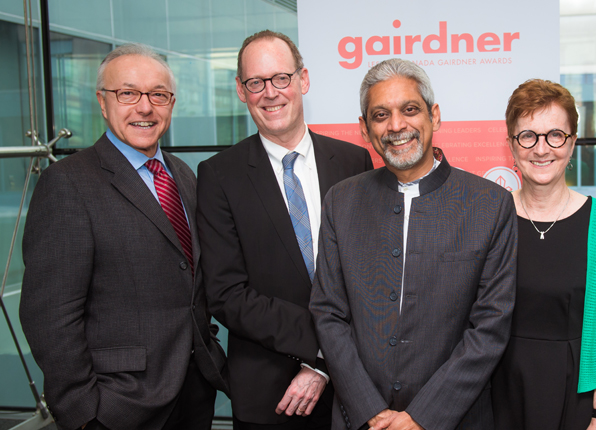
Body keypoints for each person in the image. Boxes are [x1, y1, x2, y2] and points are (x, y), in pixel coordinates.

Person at [19, 43, 228, 430]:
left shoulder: (182, 174)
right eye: (128, 93)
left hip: (195, 389)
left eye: (158, 95)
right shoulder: (67, 184)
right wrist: (85, 413)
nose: (145, 107)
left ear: (171, 103)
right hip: (118, 405)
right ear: (102, 102)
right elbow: (49, 315)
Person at [309, 58, 517, 430]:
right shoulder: (341, 201)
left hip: (456, 418)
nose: (396, 126)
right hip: (360, 419)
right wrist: (369, 410)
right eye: (380, 115)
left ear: (434, 116)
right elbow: (328, 313)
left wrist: (422, 418)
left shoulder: (490, 204)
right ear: (364, 128)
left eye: (409, 110)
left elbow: (490, 326)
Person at [196, 30, 373, 429]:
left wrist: (330, 363)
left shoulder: (353, 162)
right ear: (242, 91)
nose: (270, 93)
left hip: (358, 391)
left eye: (281, 78)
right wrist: (323, 348)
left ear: (303, 80)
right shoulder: (218, 176)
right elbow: (226, 293)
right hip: (271, 396)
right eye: (256, 83)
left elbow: (369, 276)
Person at [490, 79, 596, 430]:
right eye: (528, 136)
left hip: (576, 398)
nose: (541, 149)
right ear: (511, 144)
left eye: (555, 135)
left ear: (573, 143)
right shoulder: (487, 219)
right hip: (494, 397)